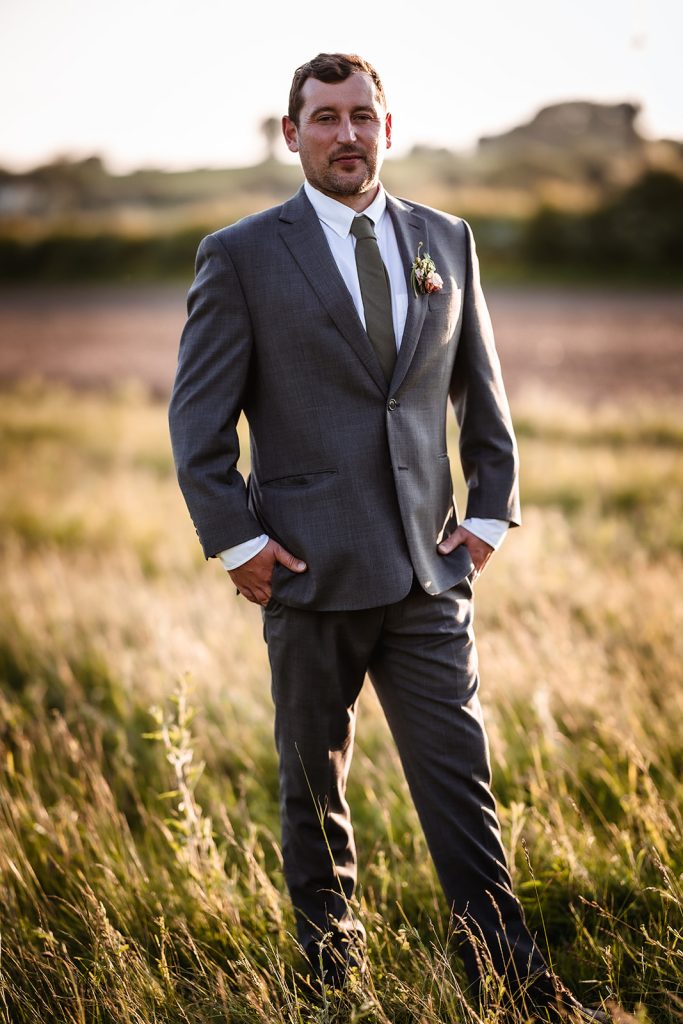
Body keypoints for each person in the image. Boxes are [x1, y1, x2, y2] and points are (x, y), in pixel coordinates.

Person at [169, 53, 609, 1022]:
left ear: (387, 127)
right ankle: (335, 991)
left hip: (427, 573)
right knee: (311, 799)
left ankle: (521, 993)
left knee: (463, 795)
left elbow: (479, 395)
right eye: (323, 118)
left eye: (361, 115)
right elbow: (195, 425)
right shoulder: (238, 254)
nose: (345, 134)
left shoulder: (443, 240)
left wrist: (488, 516)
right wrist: (238, 545)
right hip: (306, 574)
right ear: (290, 135)